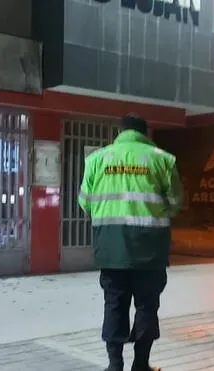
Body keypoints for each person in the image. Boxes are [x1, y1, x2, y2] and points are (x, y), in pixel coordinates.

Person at [78, 114, 182, 371]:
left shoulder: (96, 159)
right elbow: (176, 202)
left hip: (111, 250)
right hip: (150, 249)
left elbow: (84, 202)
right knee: (147, 306)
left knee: (114, 304)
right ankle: (141, 365)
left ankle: (115, 365)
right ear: (145, 133)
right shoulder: (163, 160)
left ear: (120, 132)